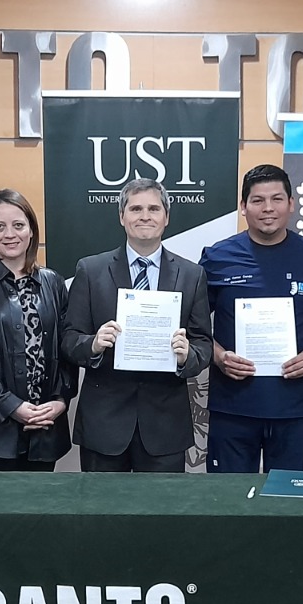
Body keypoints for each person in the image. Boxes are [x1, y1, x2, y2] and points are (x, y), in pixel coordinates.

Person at [61, 177, 212, 472]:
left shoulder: (192, 275)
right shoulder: (90, 271)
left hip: (165, 425)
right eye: (136, 209)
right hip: (104, 424)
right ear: (122, 216)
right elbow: (68, 339)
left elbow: (203, 343)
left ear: (166, 217)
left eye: (154, 209)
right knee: (102, 516)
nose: (145, 216)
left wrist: (186, 356)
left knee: (160, 517)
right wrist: (92, 344)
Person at [200, 164, 303, 473]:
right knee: (229, 501)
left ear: (291, 204)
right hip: (234, 404)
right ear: (243, 207)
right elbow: (194, 325)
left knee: (288, 503)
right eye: (257, 200)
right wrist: (220, 355)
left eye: (277, 199)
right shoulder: (216, 257)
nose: (268, 208)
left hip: (296, 404)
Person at [0, 190, 78, 470]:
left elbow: (67, 347)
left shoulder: (54, 282)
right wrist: (11, 406)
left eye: (18, 225)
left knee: (43, 513)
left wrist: (61, 400)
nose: (10, 234)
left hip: (46, 427)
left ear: (32, 230)